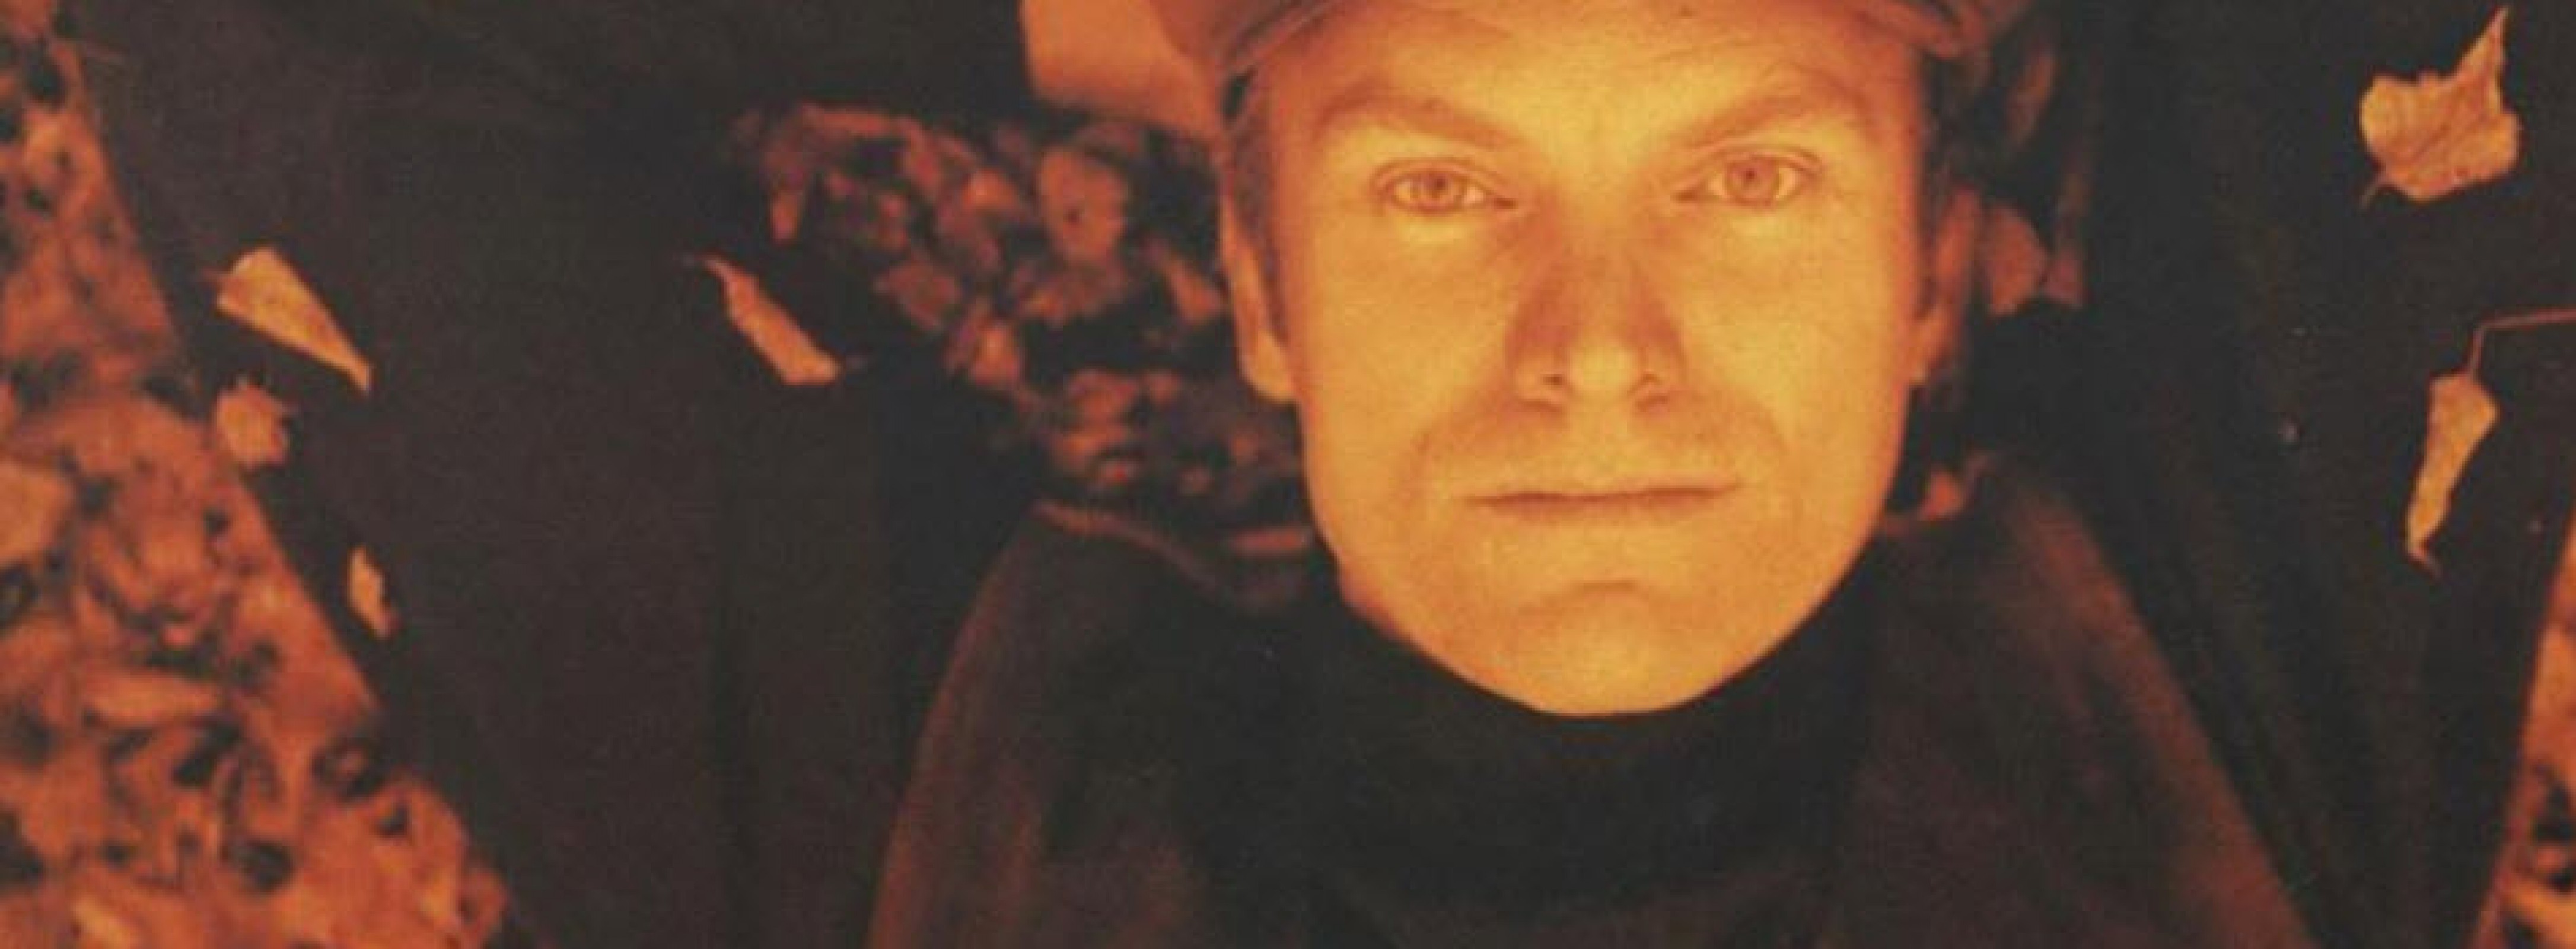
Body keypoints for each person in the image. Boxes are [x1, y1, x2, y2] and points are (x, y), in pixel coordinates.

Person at [865, 0, 2319, 945]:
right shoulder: (875, 714)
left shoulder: (2259, 718)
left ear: (1930, 277)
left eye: (1750, 178)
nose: (1603, 348)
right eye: (1439, 186)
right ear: (1264, 288)